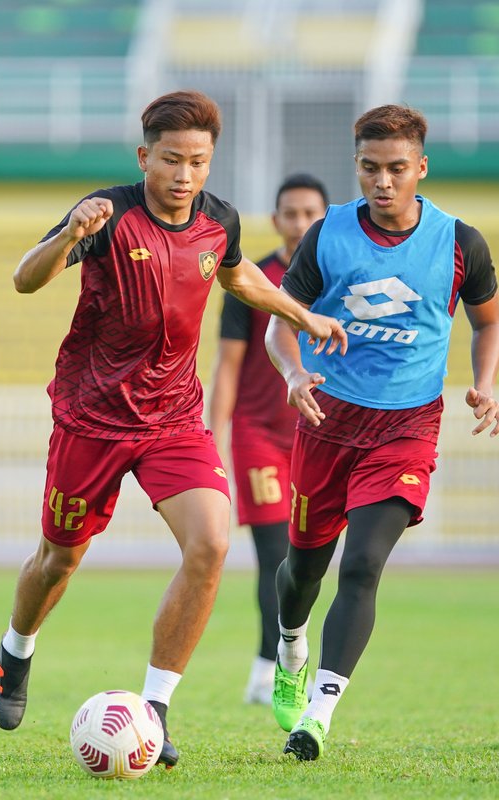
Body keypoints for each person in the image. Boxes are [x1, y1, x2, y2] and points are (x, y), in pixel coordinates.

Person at [0, 89, 347, 769]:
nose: (185, 175)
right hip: (90, 418)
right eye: (173, 160)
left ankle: (153, 709)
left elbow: (240, 280)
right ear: (144, 156)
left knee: (210, 543)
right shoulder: (107, 213)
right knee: (58, 559)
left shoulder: (218, 222)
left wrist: (303, 316)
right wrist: (69, 235)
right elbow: (23, 280)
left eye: (199, 162)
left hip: (174, 417)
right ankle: (15, 650)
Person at [264, 104, 499, 760]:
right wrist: (291, 371)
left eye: (397, 168)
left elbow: (488, 321)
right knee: (303, 569)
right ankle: (290, 644)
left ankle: (318, 714)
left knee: (365, 562)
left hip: (407, 427)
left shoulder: (460, 243)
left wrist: (484, 382)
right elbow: (279, 320)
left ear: (420, 168)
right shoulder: (327, 237)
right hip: (327, 420)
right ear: (358, 167)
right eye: (370, 168)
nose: (383, 181)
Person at [209, 173, 330, 705]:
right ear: (276, 220)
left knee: (310, 559)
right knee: (274, 554)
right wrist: (212, 433)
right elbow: (228, 366)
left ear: (325, 218)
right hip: (260, 436)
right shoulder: (251, 282)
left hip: (323, 435)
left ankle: (293, 657)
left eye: (310, 213)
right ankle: (267, 667)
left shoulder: (345, 276)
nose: (300, 223)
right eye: (291, 213)